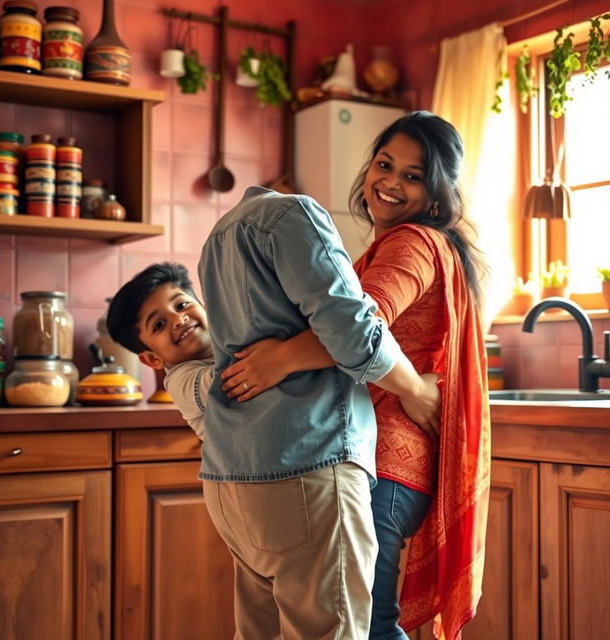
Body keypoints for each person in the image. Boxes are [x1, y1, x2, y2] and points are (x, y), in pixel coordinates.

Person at [221, 111, 491, 639]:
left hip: (385, 463)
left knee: (368, 627)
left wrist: (280, 358)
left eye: (412, 176)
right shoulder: (401, 244)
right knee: (368, 624)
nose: (389, 182)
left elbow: (358, 325)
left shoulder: (411, 243)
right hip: (389, 463)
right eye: (384, 164)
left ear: (436, 195)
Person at [198, 185, 441, 640]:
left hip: (232, 478)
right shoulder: (295, 213)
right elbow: (351, 327)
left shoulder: (218, 235)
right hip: (308, 465)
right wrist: (414, 388)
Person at [105, 261, 212, 441]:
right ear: (152, 359)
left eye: (181, 305)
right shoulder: (181, 381)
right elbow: (231, 380)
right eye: (159, 325)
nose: (178, 319)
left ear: (203, 306)